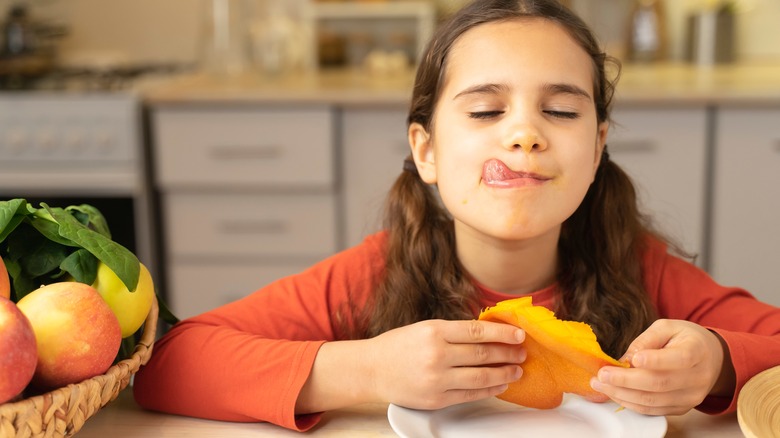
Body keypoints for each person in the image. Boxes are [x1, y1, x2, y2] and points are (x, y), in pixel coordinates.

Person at [133, 0, 780, 431]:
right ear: (427, 150)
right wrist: (365, 369)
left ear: (598, 148)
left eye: (560, 110)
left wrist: (719, 361)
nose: (525, 133)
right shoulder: (373, 273)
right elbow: (168, 363)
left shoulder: (644, 273)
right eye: (485, 110)